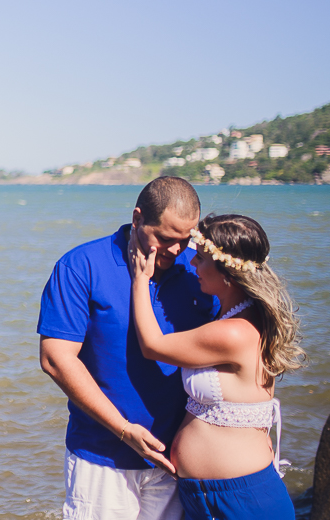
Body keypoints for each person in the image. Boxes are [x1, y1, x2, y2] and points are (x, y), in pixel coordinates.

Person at [38, 177, 217, 520]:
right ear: (137, 219)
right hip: (101, 457)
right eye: (165, 238)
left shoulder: (199, 271)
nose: (176, 250)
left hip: (177, 459)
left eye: (185, 239)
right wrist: (123, 429)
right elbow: (55, 359)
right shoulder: (81, 266)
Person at [128, 213, 306, 520]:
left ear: (228, 273)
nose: (192, 263)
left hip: (239, 500)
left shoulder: (234, 333)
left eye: (200, 257)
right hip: (213, 497)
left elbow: (152, 346)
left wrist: (140, 279)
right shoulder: (236, 318)